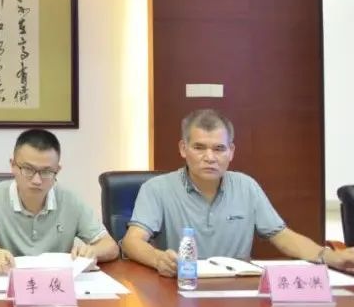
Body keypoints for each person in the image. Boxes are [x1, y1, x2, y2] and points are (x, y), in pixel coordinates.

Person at [122, 108, 354, 275]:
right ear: (183, 149)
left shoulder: (246, 186)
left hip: (236, 289)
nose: (209, 157)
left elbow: (283, 236)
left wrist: (329, 256)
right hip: (180, 285)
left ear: (231, 152)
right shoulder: (157, 188)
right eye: (199, 147)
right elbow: (132, 241)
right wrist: (158, 259)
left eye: (219, 149)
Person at [0, 128, 119, 274]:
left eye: (46, 171)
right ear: (13, 166)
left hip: (56, 284)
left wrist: (92, 251)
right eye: (28, 169)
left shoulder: (71, 200)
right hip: (6, 281)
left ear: (57, 170)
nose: (37, 180)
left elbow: (111, 247)